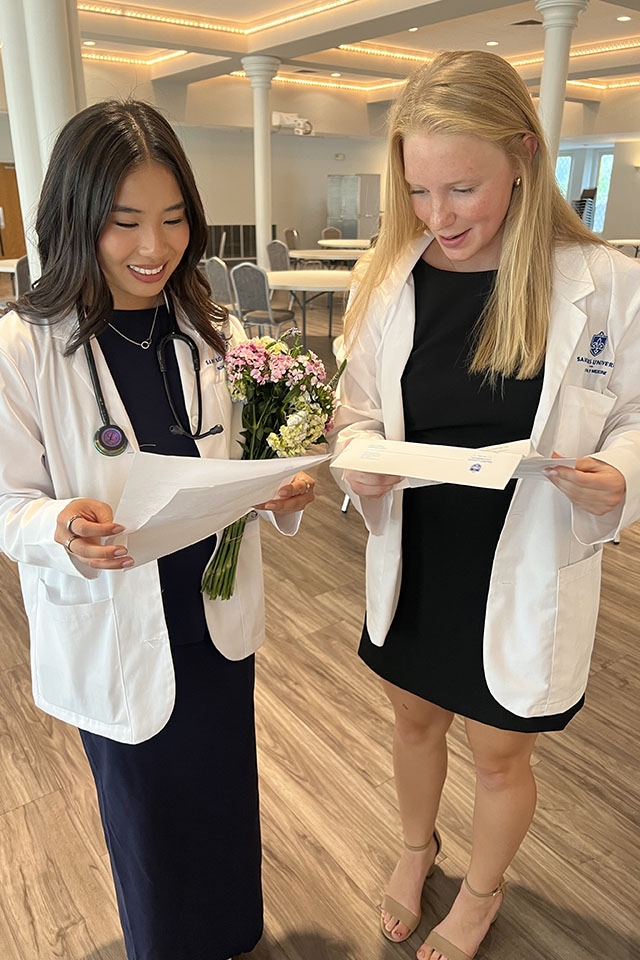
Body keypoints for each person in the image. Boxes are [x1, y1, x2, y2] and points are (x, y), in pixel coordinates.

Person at [332, 50, 640, 960]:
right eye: (418, 191)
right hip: (420, 550)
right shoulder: (391, 274)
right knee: (414, 717)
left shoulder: (604, 282)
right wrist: (358, 462)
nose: (437, 216)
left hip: (527, 555)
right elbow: (355, 411)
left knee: (503, 753)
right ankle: (414, 848)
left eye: (460, 188)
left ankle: (480, 891)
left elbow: (633, 413)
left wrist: (621, 474)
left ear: (521, 155)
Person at [0, 100, 316, 960]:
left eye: (174, 220)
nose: (155, 247)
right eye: (126, 222)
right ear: (76, 220)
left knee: (221, 795)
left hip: (209, 615)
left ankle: (231, 936)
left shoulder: (208, 332)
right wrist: (60, 524)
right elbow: (8, 501)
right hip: (116, 619)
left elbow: (238, 460)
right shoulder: (25, 348)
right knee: (148, 814)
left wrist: (274, 493)